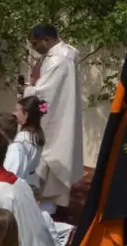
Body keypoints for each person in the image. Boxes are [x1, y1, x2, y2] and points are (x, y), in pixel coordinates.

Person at [22, 24, 83, 212]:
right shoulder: (64, 53)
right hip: (58, 110)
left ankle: (46, 209)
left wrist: (26, 90)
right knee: (50, 153)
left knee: (48, 153)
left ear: (46, 40)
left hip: (53, 116)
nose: (33, 47)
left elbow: (46, 94)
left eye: (35, 43)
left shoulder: (59, 61)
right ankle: (45, 204)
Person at [0, 101, 44, 196]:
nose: (13, 113)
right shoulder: (36, 133)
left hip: (18, 186)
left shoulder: (20, 142)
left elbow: (10, 177)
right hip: (31, 179)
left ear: (26, 114)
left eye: (16, 110)